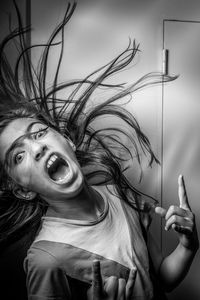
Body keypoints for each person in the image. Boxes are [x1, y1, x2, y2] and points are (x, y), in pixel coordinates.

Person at [0, 2, 198, 300]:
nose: (37, 147)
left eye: (39, 133)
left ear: (67, 140)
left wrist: (187, 246)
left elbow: (163, 279)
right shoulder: (45, 261)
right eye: (19, 155)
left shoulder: (120, 195)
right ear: (23, 190)